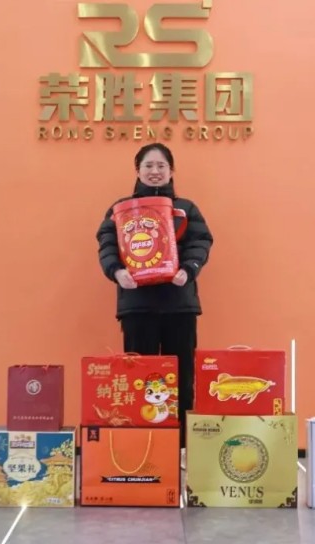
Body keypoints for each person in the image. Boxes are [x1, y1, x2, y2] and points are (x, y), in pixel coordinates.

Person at [96, 143, 213, 452]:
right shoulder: (121, 209)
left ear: (171, 171)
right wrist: (116, 271)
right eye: (148, 165)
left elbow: (200, 242)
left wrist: (189, 269)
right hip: (137, 306)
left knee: (182, 377)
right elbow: (107, 243)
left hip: (179, 305)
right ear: (138, 171)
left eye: (161, 165)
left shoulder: (185, 208)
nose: (155, 171)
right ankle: (142, 446)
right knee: (139, 376)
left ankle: (182, 449)